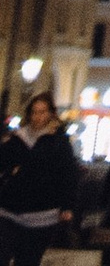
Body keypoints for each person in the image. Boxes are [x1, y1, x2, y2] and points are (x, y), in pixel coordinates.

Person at [0, 93, 81, 249]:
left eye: (42, 112)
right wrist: (12, 172)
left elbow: (68, 175)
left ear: (50, 113)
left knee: (28, 259)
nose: (37, 117)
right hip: (10, 209)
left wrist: (67, 206)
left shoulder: (59, 142)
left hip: (42, 213)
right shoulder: (18, 138)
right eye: (34, 112)